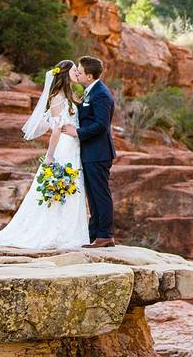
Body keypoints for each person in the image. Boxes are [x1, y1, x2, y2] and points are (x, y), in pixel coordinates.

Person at [0, 60, 89, 250]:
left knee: (73, 187)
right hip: (63, 148)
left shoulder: (71, 94)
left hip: (74, 146)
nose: (77, 74)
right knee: (61, 187)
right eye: (74, 71)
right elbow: (56, 130)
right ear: (64, 73)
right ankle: (53, 232)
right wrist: (49, 156)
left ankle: (69, 232)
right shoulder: (57, 97)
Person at [63, 55, 117, 248]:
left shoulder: (101, 93)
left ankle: (105, 235)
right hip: (91, 152)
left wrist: (76, 132)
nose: (77, 72)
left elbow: (101, 125)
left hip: (99, 153)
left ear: (90, 76)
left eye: (80, 70)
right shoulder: (90, 91)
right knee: (92, 196)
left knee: (100, 194)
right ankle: (94, 234)